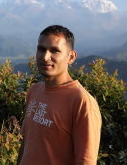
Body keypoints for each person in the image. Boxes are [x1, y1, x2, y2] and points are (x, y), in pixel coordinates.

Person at [17, 25, 101, 165]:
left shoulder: (81, 102)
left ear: (71, 56)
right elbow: (27, 143)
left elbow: (86, 161)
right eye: (41, 49)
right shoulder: (34, 90)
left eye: (55, 51)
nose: (45, 57)